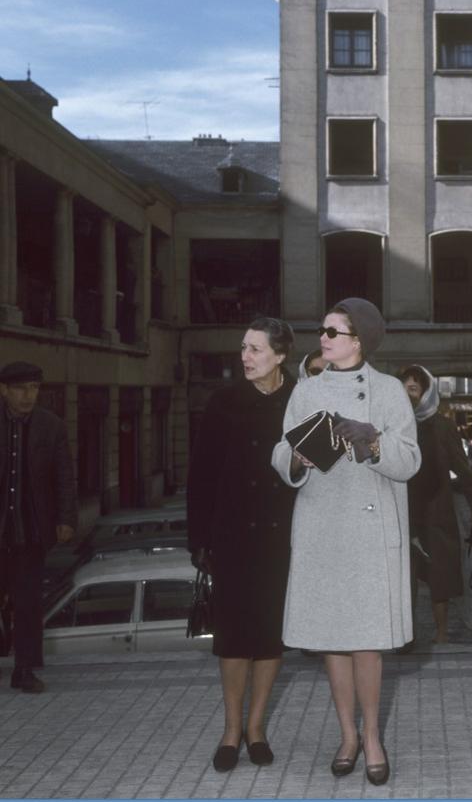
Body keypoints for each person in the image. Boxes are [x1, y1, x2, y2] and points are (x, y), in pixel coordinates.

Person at [272, 298, 420, 786]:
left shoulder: (389, 390)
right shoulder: (306, 390)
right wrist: (297, 459)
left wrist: (372, 441)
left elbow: (410, 460)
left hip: (370, 531)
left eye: (333, 332)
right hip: (322, 524)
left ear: (359, 340)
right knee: (331, 638)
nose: (323, 338)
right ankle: (347, 735)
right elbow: (282, 449)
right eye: (323, 330)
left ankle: (372, 736)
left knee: (367, 642)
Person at [186, 317, 298, 772]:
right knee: (232, 637)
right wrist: (199, 540)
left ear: (280, 355)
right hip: (231, 536)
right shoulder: (223, 402)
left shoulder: (300, 401)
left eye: (255, 349)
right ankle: (231, 731)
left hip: (281, 537)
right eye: (243, 348)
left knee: (269, 636)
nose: (245, 357)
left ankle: (256, 729)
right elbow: (201, 474)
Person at [0, 360, 77, 693]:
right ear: (4, 390)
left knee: (28, 603)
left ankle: (24, 669)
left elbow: (64, 476)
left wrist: (66, 518)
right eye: (20, 389)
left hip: (30, 531)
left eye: (33, 388)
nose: (27, 396)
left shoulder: (51, 426)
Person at [399, 365, 472, 644]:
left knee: (440, 577)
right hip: (402, 513)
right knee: (404, 578)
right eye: (404, 388)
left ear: (426, 393)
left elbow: (462, 468)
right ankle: (406, 636)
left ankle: (441, 634)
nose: (408, 394)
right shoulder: (394, 424)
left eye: (414, 388)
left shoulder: (443, 426)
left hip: (437, 512)